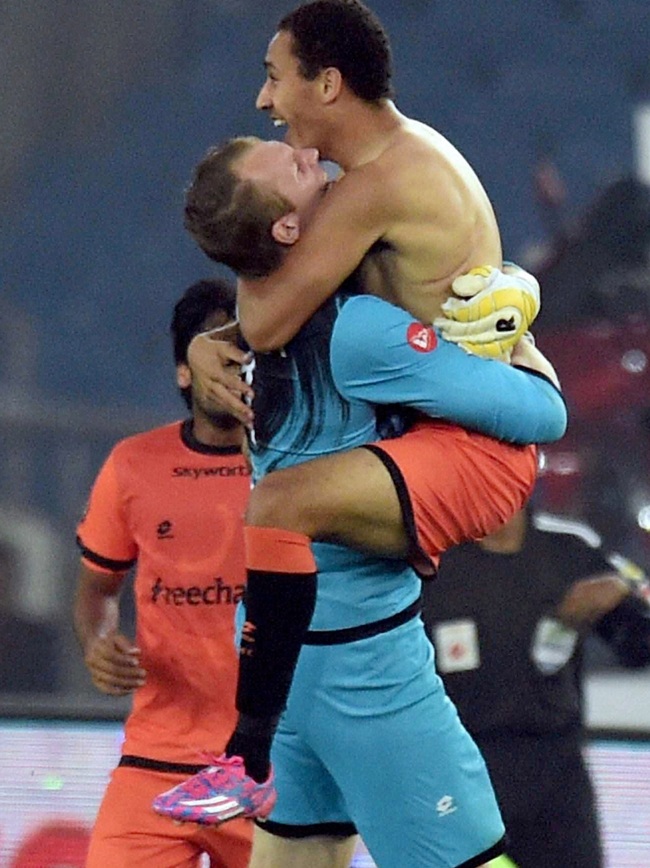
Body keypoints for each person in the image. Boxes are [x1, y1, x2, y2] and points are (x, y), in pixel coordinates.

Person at [153, 133, 567, 867]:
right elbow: (539, 417)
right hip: (364, 666)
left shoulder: (242, 330)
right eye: (295, 167)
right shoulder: (360, 328)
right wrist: (521, 340)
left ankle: (244, 758)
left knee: (299, 856)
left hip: (275, 663)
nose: (312, 155)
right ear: (288, 227)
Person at [74, 279, 253, 868]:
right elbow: (96, 590)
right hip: (157, 759)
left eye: (246, 349)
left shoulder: (300, 471)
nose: (235, 363)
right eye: (217, 347)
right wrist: (98, 641)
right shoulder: (134, 464)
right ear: (184, 370)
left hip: (269, 762)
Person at [423, 505, 650, 868]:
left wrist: (621, 590)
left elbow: (638, 646)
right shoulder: (432, 565)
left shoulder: (568, 552)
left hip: (556, 781)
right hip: (461, 783)